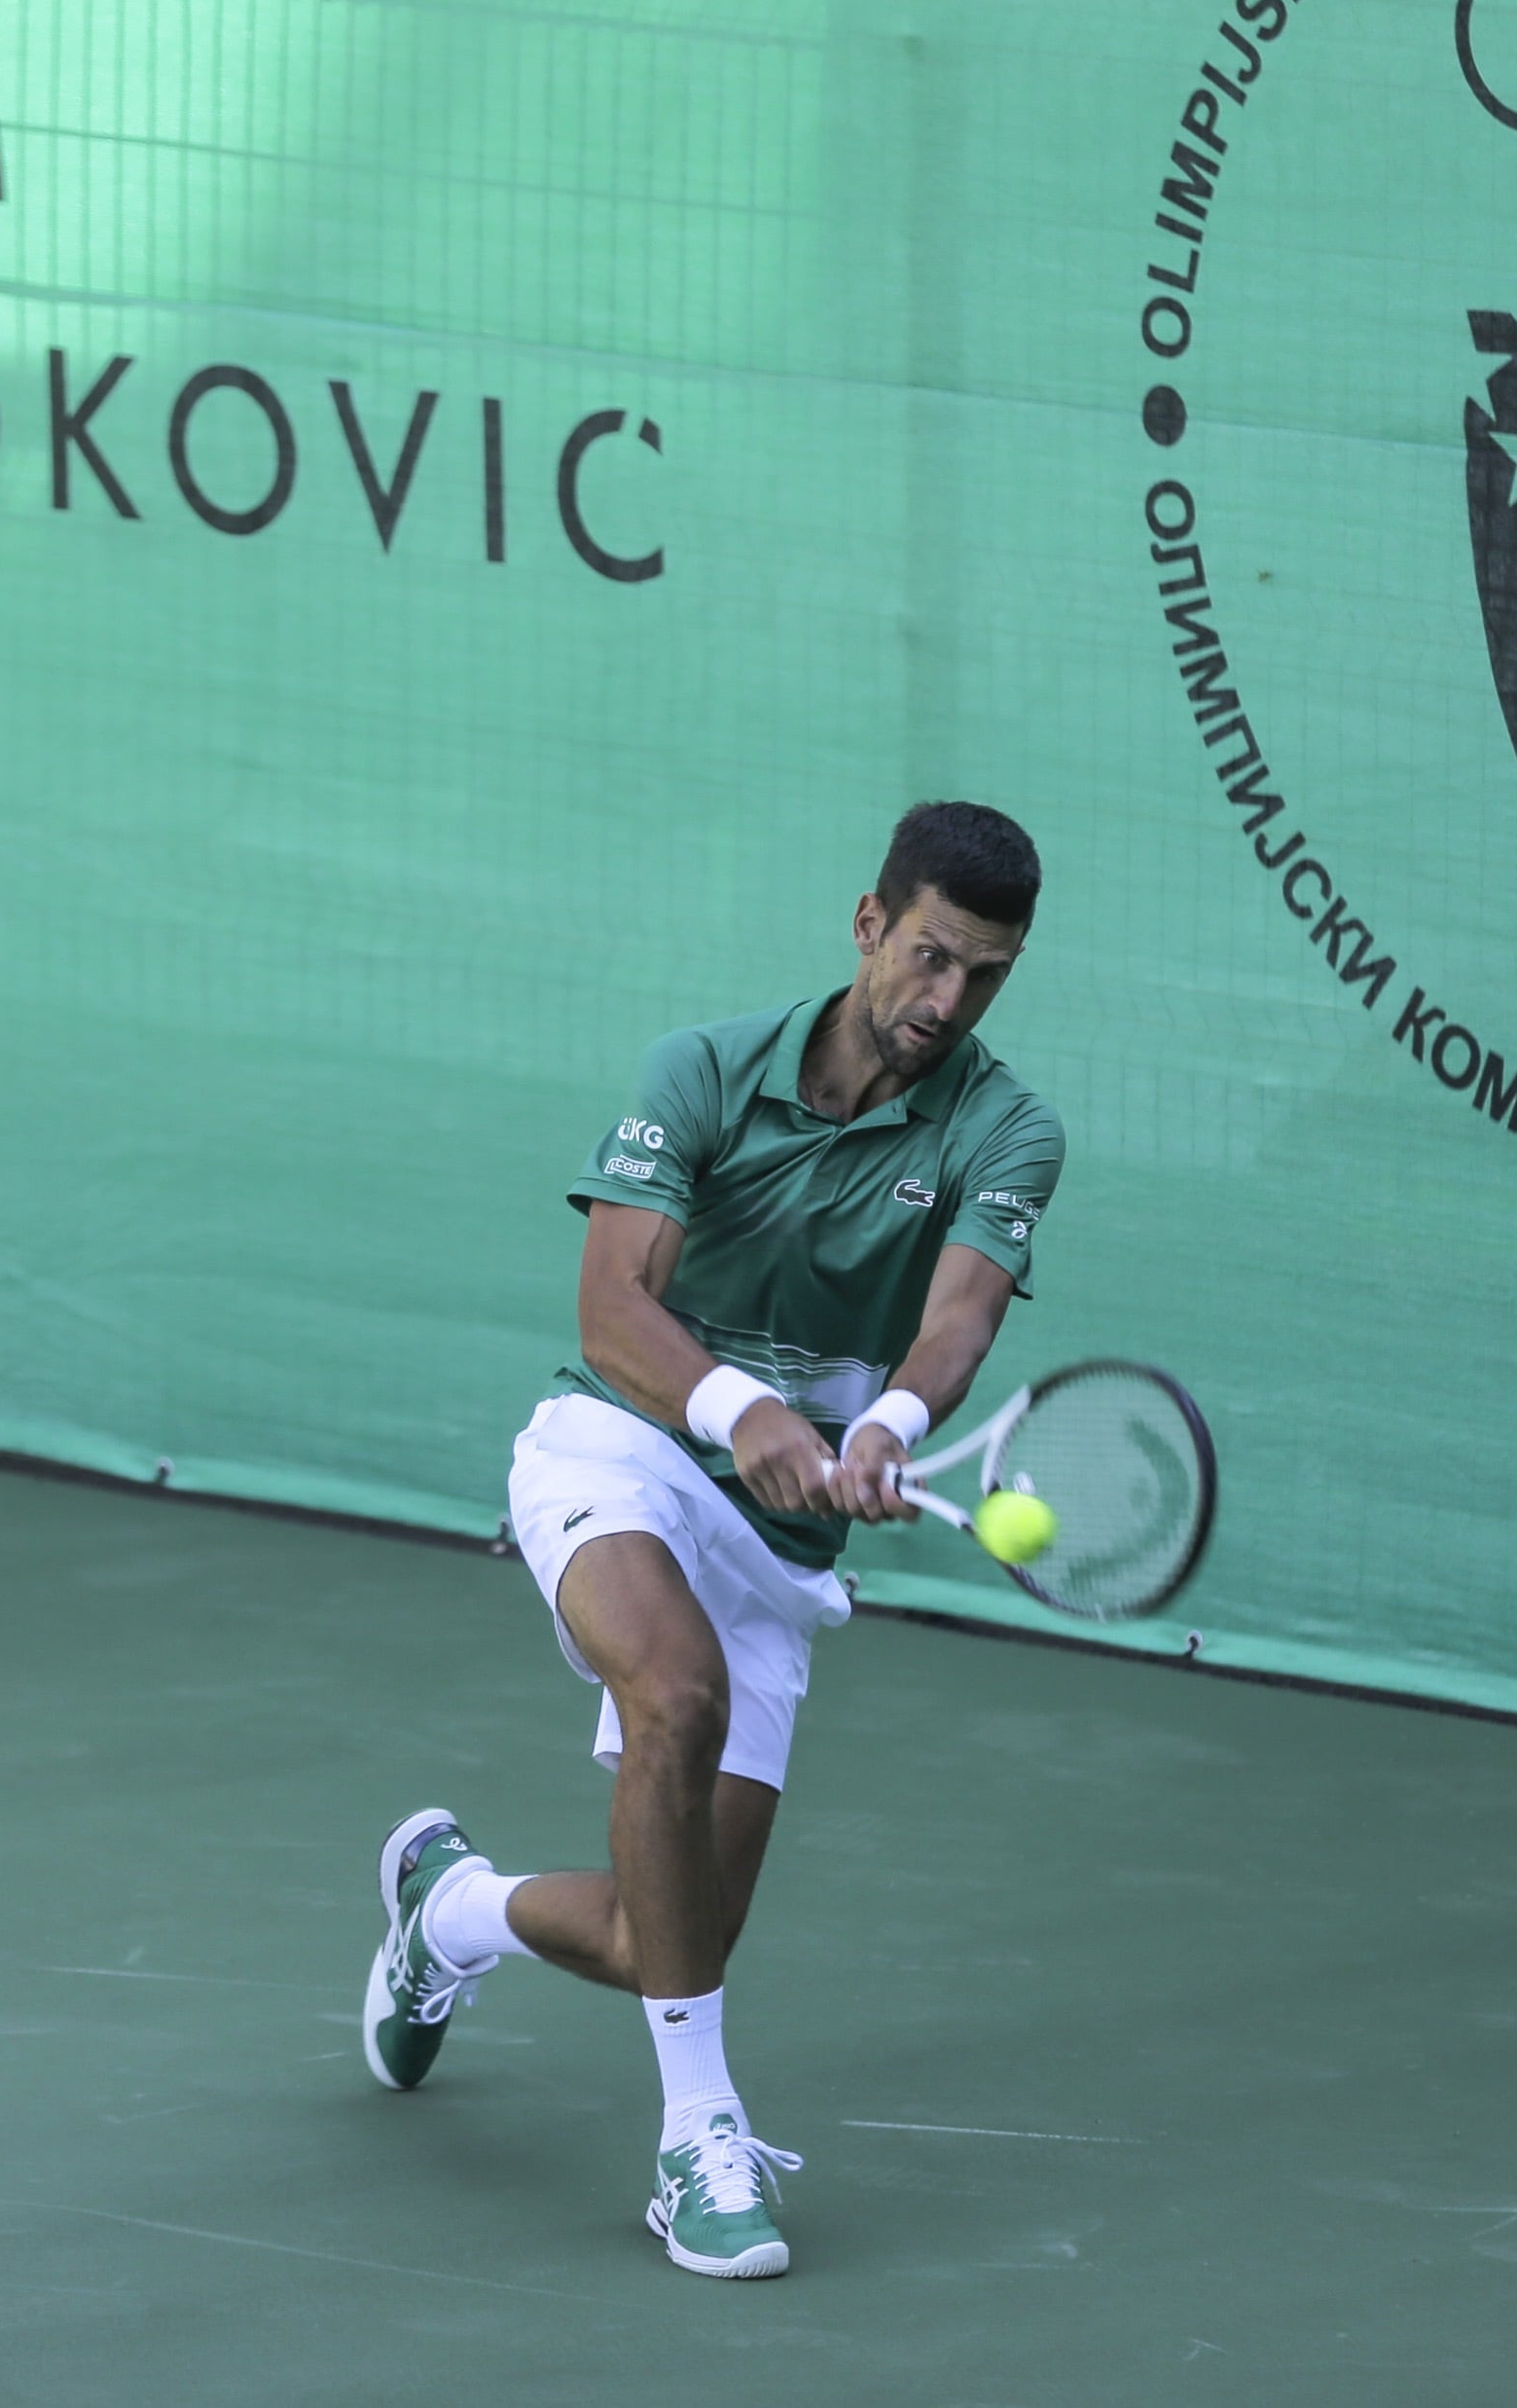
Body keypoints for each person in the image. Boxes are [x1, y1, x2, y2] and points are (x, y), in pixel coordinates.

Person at [362, 801, 1062, 2280]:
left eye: (985, 975)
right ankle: (698, 2146)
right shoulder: (699, 1071)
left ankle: (451, 1909)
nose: (948, 1001)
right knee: (673, 1694)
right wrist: (743, 1408)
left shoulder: (1008, 1129)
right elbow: (613, 1308)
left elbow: (960, 1315)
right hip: (619, 1452)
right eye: (930, 956)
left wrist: (893, 1430)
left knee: (654, 1936)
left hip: (784, 1546)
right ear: (867, 926)